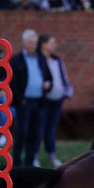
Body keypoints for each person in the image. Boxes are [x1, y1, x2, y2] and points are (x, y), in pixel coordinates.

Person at [10, 29, 52, 166]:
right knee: (22, 132)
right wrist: (19, 99)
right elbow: (12, 81)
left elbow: (48, 77)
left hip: (39, 101)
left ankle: (30, 161)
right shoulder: (17, 60)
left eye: (34, 42)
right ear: (24, 43)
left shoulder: (41, 58)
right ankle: (16, 162)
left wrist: (48, 84)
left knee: (35, 133)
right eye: (30, 42)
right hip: (24, 102)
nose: (33, 45)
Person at [36, 33, 73, 168]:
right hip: (44, 99)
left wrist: (67, 90)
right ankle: (34, 156)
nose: (54, 45)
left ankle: (51, 155)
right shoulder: (38, 59)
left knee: (51, 129)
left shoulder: (57, 60)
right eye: (52, 43)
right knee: (39, 128)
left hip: (57, 99)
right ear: (43, 44)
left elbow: (63, 77)